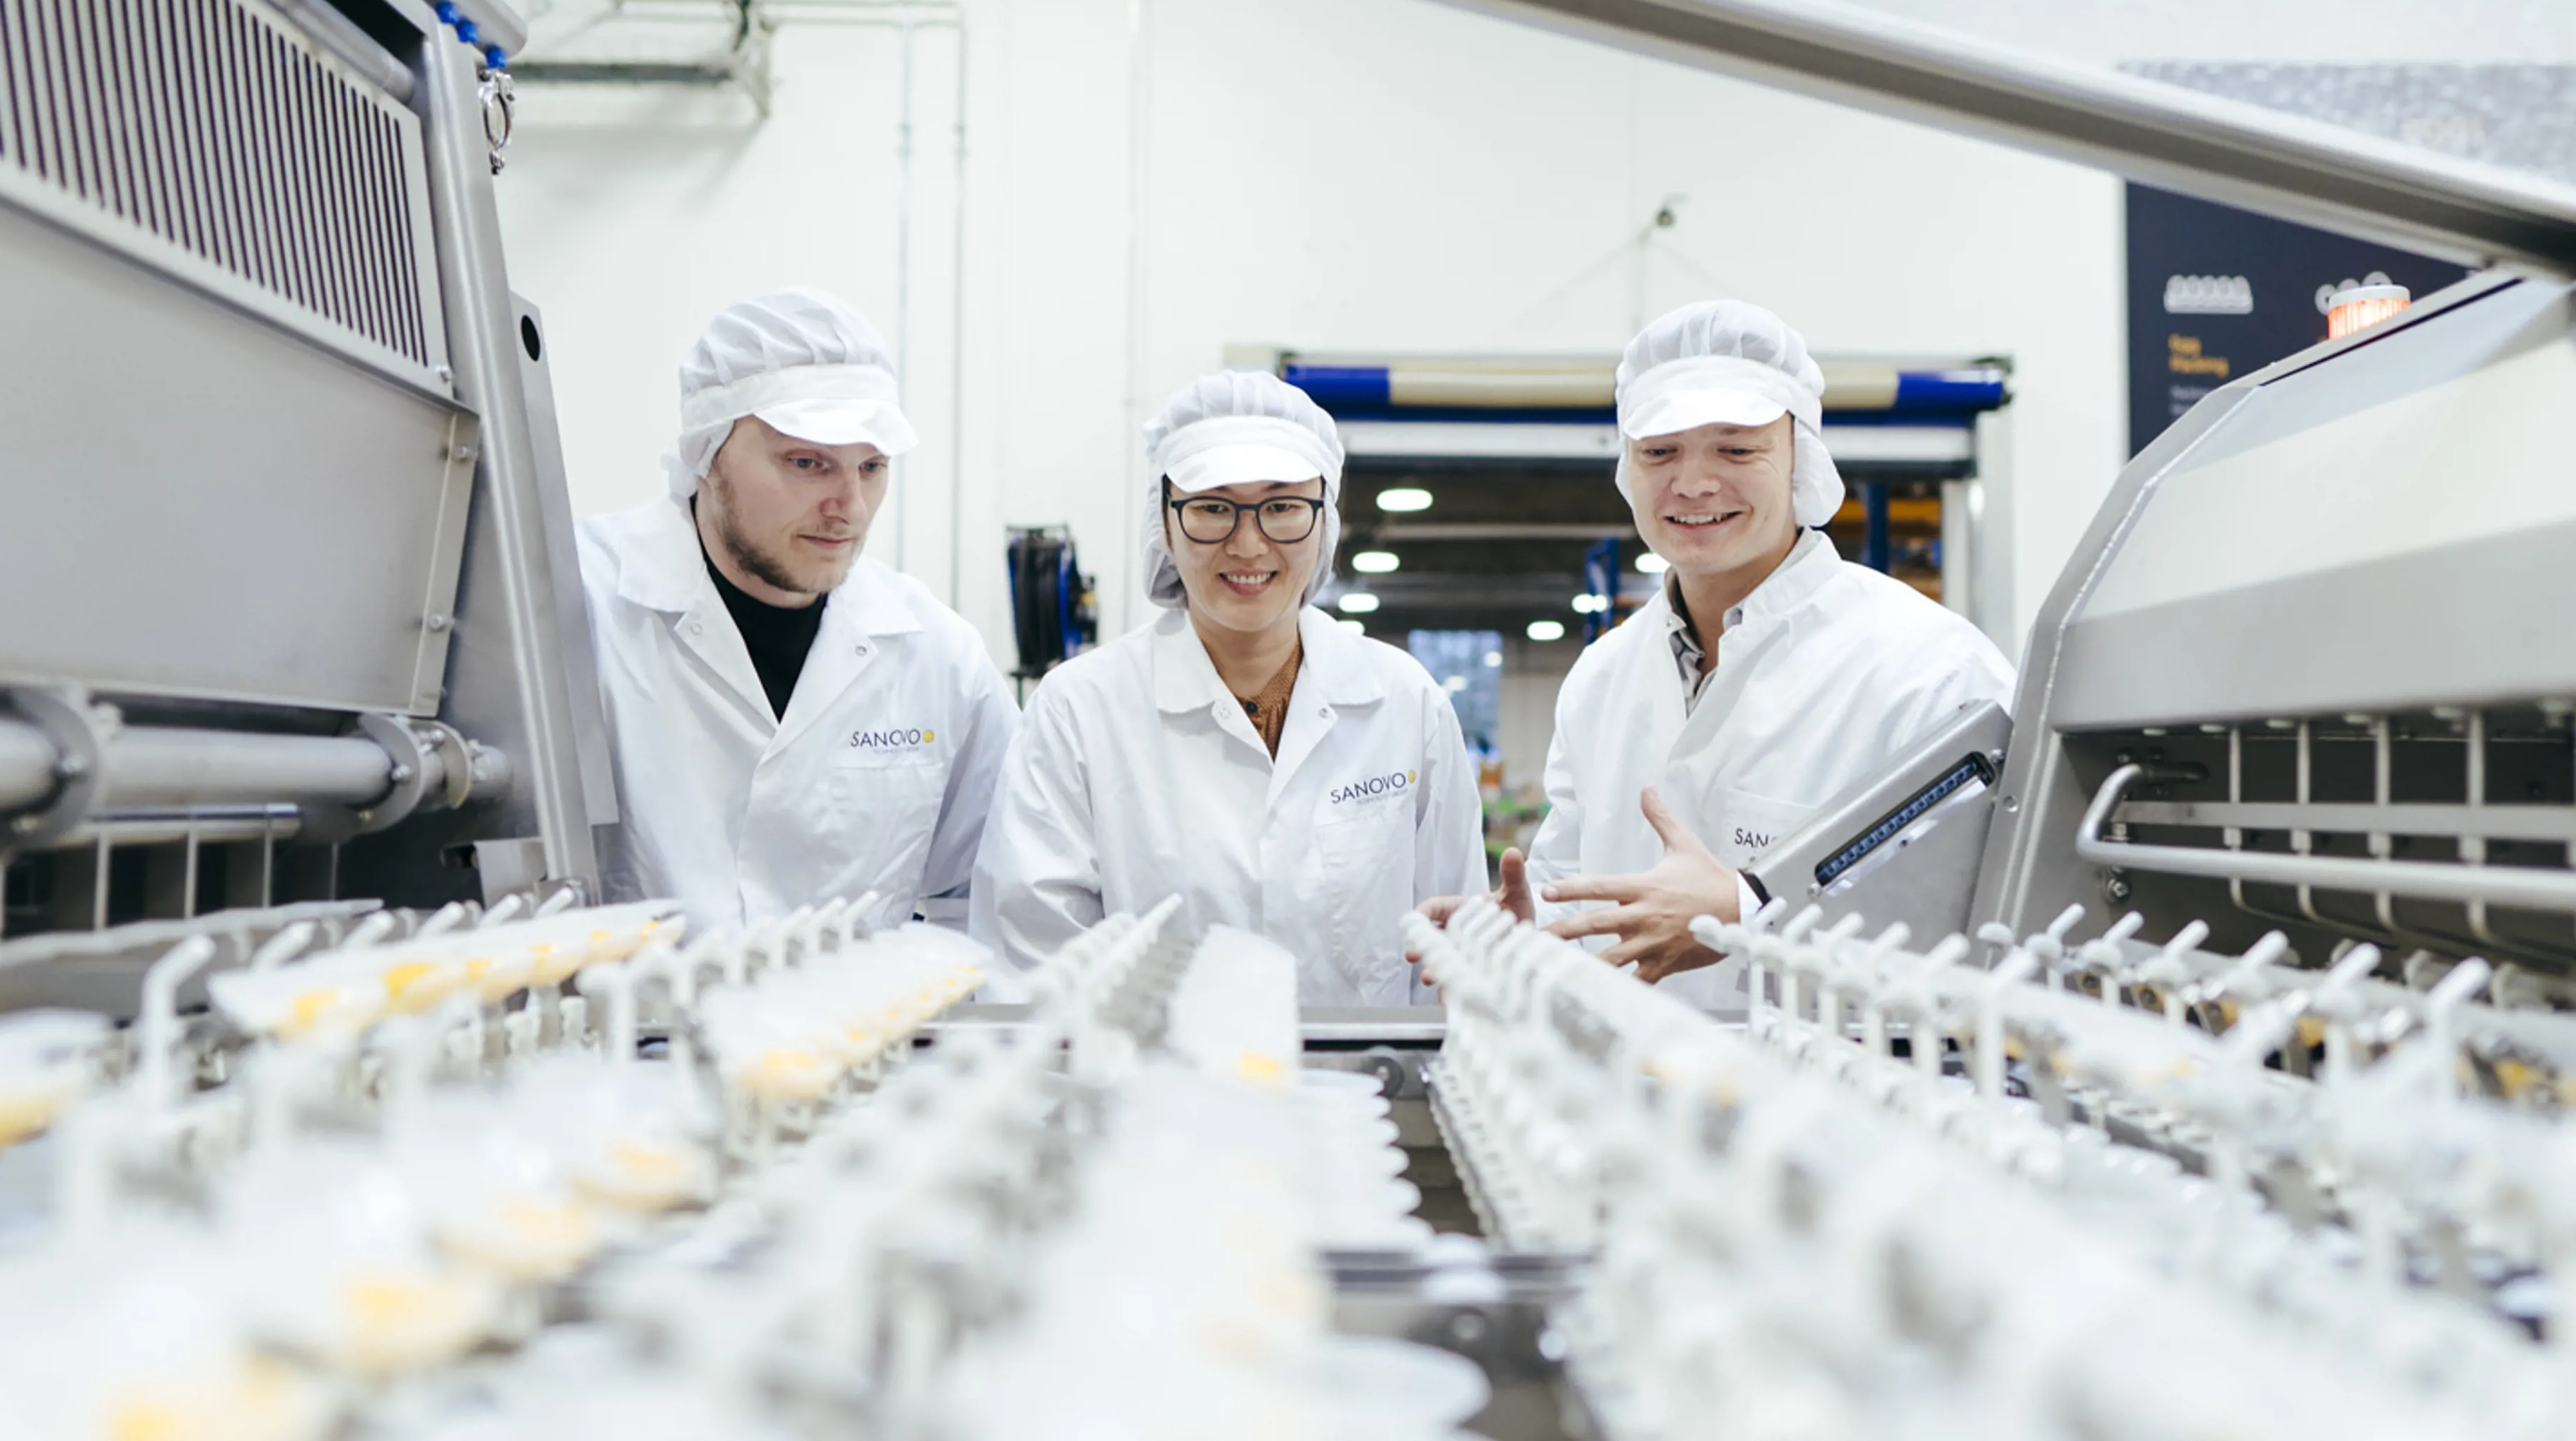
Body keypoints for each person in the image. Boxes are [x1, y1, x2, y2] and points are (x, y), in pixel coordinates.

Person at [1421, 299, 2013, 1005]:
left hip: (1841, 1100)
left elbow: (1990, 931)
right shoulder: (1602, 679)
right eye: (1659, 451)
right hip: (1627, 1094)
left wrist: (1751, 917)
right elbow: (1582, 888)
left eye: (1737, 448)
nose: (1694, 484)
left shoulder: (1930, 670)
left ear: (1801, 456)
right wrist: (1529, 928)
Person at [972, 372, 1487, 1005]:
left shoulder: (1406, 703)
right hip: (1148, 1095)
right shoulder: (1080, 709)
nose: (1248, 544)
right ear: (1165, 519)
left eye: (1282, 506)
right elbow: (1032, 966)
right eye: (1213, 507)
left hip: (1368, 1093)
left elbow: (1450, 949)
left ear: (1323, 519)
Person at [576, 289, 1016, 935]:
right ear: (707, 452)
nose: (852, 507)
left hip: (852, 1031)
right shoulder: (573, 597)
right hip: (631, 1031)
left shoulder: (938, 656)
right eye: (807, 463)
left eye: (871, 467)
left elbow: (987, 894)